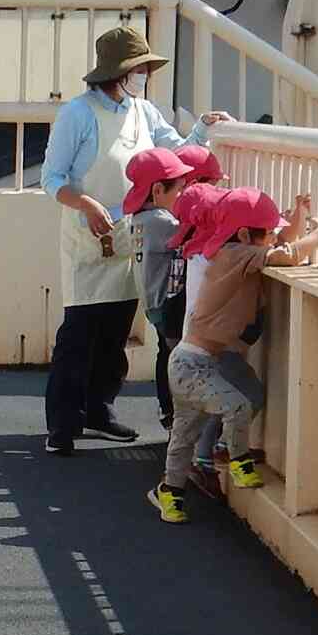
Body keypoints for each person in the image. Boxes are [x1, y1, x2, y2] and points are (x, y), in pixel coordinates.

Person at [38, 25, 230, 455]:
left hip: (131, 234)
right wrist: (86, 205)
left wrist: (202, 129)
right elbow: (52, 179)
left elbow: (176, 153)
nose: (145, 73)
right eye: (140, 67)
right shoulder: (78, 113)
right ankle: (63, 424)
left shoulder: (144, 111)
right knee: (79, 331)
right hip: (88, 233)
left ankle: (100, 409)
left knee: (116, 329)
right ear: (120, 72)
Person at [154, 186, 318, 524]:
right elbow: (286, 254)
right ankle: (237, 460)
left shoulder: (233, 249)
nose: (269, 238)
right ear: (245, 234)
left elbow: (275, 242)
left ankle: (170, 493)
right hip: (194, 363)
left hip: (191, 361)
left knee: (185, 435)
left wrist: (298, 219)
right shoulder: (236, 254)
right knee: (237, 404)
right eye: (264, 234)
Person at [120, 145, 217, 430]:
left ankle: (169, 412)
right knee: (180, 362)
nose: (183, 196)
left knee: (167, 354)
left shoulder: (140, 219)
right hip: (169, 305)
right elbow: (197, 233)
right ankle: (181, 419)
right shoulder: (160, 222)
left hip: (155, 304)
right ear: (157, 191)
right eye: (179, 190)